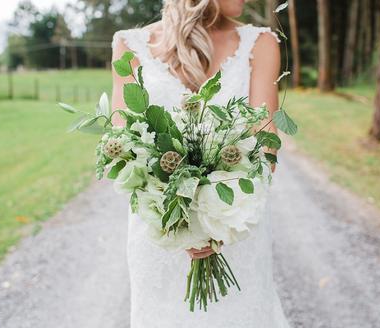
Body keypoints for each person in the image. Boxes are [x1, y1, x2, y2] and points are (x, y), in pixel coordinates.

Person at [111, 0, 290, 327]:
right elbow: (123, 146)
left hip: (234, 230)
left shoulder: (261, 43)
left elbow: (266, 140)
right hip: (160, 233)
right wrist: (179, 222)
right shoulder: (129, 45)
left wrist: (216, 222)